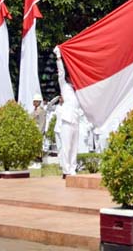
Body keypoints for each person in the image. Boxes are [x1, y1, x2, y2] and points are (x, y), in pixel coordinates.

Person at [54, 47, 80, 179]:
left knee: (75, 147)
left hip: (76, 120)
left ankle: (73, 168)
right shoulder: (64, 86)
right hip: (66, 120)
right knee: (66, 146)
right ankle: (66, 170)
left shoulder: (78, 90)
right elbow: (61, 73)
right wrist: (59, 57)